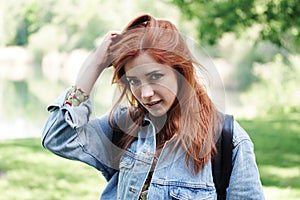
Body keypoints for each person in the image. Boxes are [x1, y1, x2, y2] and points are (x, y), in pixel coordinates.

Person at [42, 14, 264, 200]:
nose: (145, 93)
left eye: (155, 76)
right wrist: (95, 65)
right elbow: (58, 138)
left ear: (181, 73)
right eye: (134, 81)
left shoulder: (228, 139)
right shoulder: (124, 127)